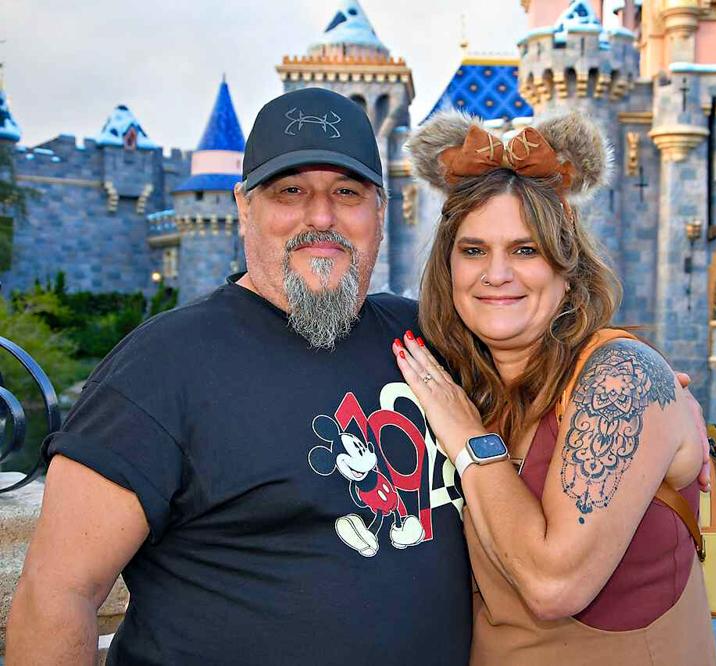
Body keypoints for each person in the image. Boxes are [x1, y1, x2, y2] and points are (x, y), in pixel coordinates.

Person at [7, 88, 473, 665]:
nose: (321, 216)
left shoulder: (425, 337)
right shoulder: (162, 367)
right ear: (243, 207)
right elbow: (57, 596)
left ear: (380, 211)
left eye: (347, 193)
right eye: (291, 191)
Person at [401, 111, 716, 665]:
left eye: (525, 250)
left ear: (566, 267)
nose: (496, 274)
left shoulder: (621, 379)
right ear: (447, 269)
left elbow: (554, 587)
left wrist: (468, 440)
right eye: (473, 250)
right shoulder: (462, 383)